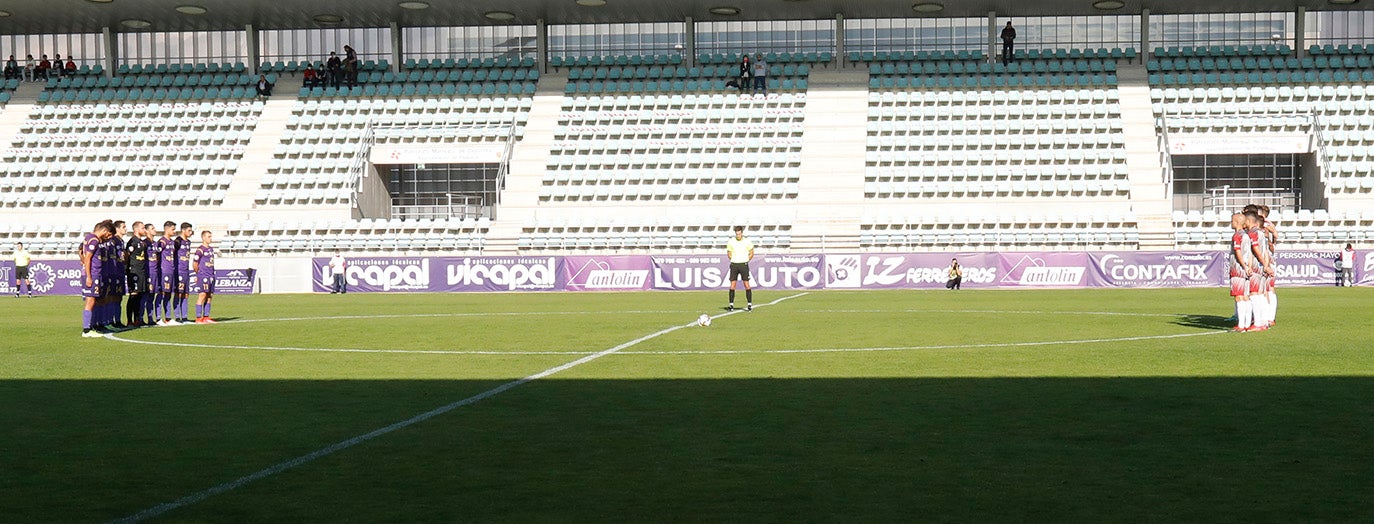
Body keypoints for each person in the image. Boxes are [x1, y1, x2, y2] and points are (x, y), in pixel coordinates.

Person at [80, 220, 115, 338]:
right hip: (93, 274)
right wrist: (89, 277)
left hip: (95, 274)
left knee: (96, 300)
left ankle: (93, 326)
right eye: (109, 234)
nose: (108, 237)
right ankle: (86, 330)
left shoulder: (89, 237)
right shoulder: (94, 240)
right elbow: (88, 258)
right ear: (104, 231)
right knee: (90, 301)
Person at [1228, 213, 1256, 332]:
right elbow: (1249, 254)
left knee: (1239, 297)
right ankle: (1246, 324)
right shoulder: (1246, 235)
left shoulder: (1237, 236)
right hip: (1245, 269)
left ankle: (1241, 325)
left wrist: (1244, 266)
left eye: (1232, 221)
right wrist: (1249, 267)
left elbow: (1238, 252)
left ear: (1236, 222)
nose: (1231, 223)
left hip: (1238, 269)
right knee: (1246, 297)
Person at [124, 221, 150, 326]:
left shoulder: (142, 242)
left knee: (139, 296)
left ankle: (137, 319)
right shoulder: (132, 242)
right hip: (134, 271)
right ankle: (130, 320)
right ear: (136, 229)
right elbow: (127, 255)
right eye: (143, 228)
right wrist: (128, 269)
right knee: (133, 296)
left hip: (141, 272)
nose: (144, 230)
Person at [726, 226, 754, 311]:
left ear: (741, 233)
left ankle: (749, 304)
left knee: (746, 284)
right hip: (734, 264)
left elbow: (751, 252)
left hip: (743, 265)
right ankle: (731, 305)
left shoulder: (747, 241)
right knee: (732, 285)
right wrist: (734, 259)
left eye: (739, 233)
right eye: (737, 234)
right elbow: (729, 253)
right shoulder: (731, 241)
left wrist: (746, 260)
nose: (738, 235)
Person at [191, 230, 217, 323]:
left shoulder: (210, 249)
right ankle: (198, 317)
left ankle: (206, 317)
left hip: (211, 275)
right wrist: (198, 274)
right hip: (203, 276)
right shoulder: (200, 250)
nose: (211, 238)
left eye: (211, 236)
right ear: (203, 238)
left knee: (209, 296)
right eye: (209, 236)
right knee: (202, 295)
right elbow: (195, 263)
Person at [157, 221, 179, 325]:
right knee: (162, 293)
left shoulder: (172, 242)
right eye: (173, 229)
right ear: (167, 229)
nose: (174, 231)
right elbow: (157, 256)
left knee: (169, 294)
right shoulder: (162, 241)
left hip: (171, 270)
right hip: (164, 271)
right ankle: (158, 318)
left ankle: (168, 318)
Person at [174, 222, 195, 324]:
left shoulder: (188, 242)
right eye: (189, 230)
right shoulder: (177, 241)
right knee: (179, 293)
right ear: (183, 230)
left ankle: (185, 317)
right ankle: (177, 317)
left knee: (186, 294)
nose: (190, 232)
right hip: (179, 271)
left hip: (186, 271)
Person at [144, 222, 162, 326]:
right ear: (146, 231)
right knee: (146, 296)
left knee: (154, 295)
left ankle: (153, 318)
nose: (154, 230)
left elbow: (158, 257)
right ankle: (143, 318)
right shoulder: (144, 243)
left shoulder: (156, 244)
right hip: (148, 272)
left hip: (156, 272)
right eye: (152, 228)